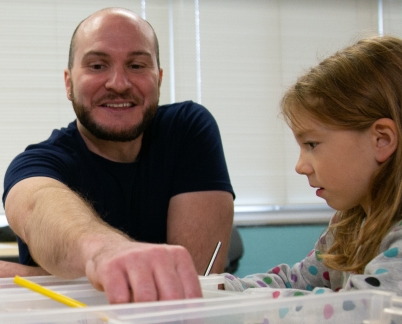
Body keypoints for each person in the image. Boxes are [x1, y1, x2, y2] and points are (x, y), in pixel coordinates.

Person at [2, 7, 234, 303]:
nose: (119, 83)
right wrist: (103, 250)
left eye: (137, 66)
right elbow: (36, 205)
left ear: (159, 79)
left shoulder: (188, 129)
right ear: (69, 83)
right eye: (97, 66)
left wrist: (38, 278)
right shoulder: (38, 163)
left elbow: (191, 286)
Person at [224, 35, 402, 298]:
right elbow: (296, 282)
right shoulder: (350, 223)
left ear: (382, 139)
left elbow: (355, 317)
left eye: (312, 144)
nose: (300, 166)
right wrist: (221, 289)